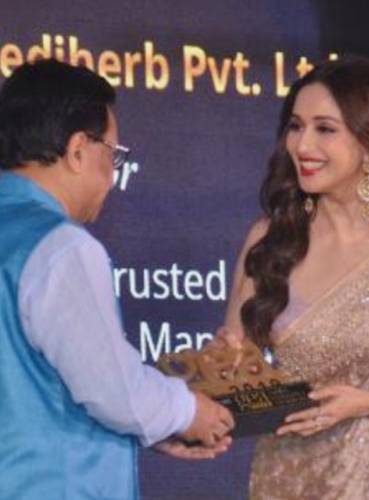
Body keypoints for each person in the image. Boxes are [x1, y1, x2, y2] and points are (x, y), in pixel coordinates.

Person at [0, 59, 234, 500]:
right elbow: (113, 391)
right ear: (77, 150)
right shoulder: (61, 247)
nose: (112, 176)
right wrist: (188, 412)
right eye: (113, 153)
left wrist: (151, 427)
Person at [221, 55, 369, 499]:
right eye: (296, 127)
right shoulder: (270, 238)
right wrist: (223, 366)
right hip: (284, 474)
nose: (302, 145)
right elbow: (233, 356)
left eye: (325, 129)